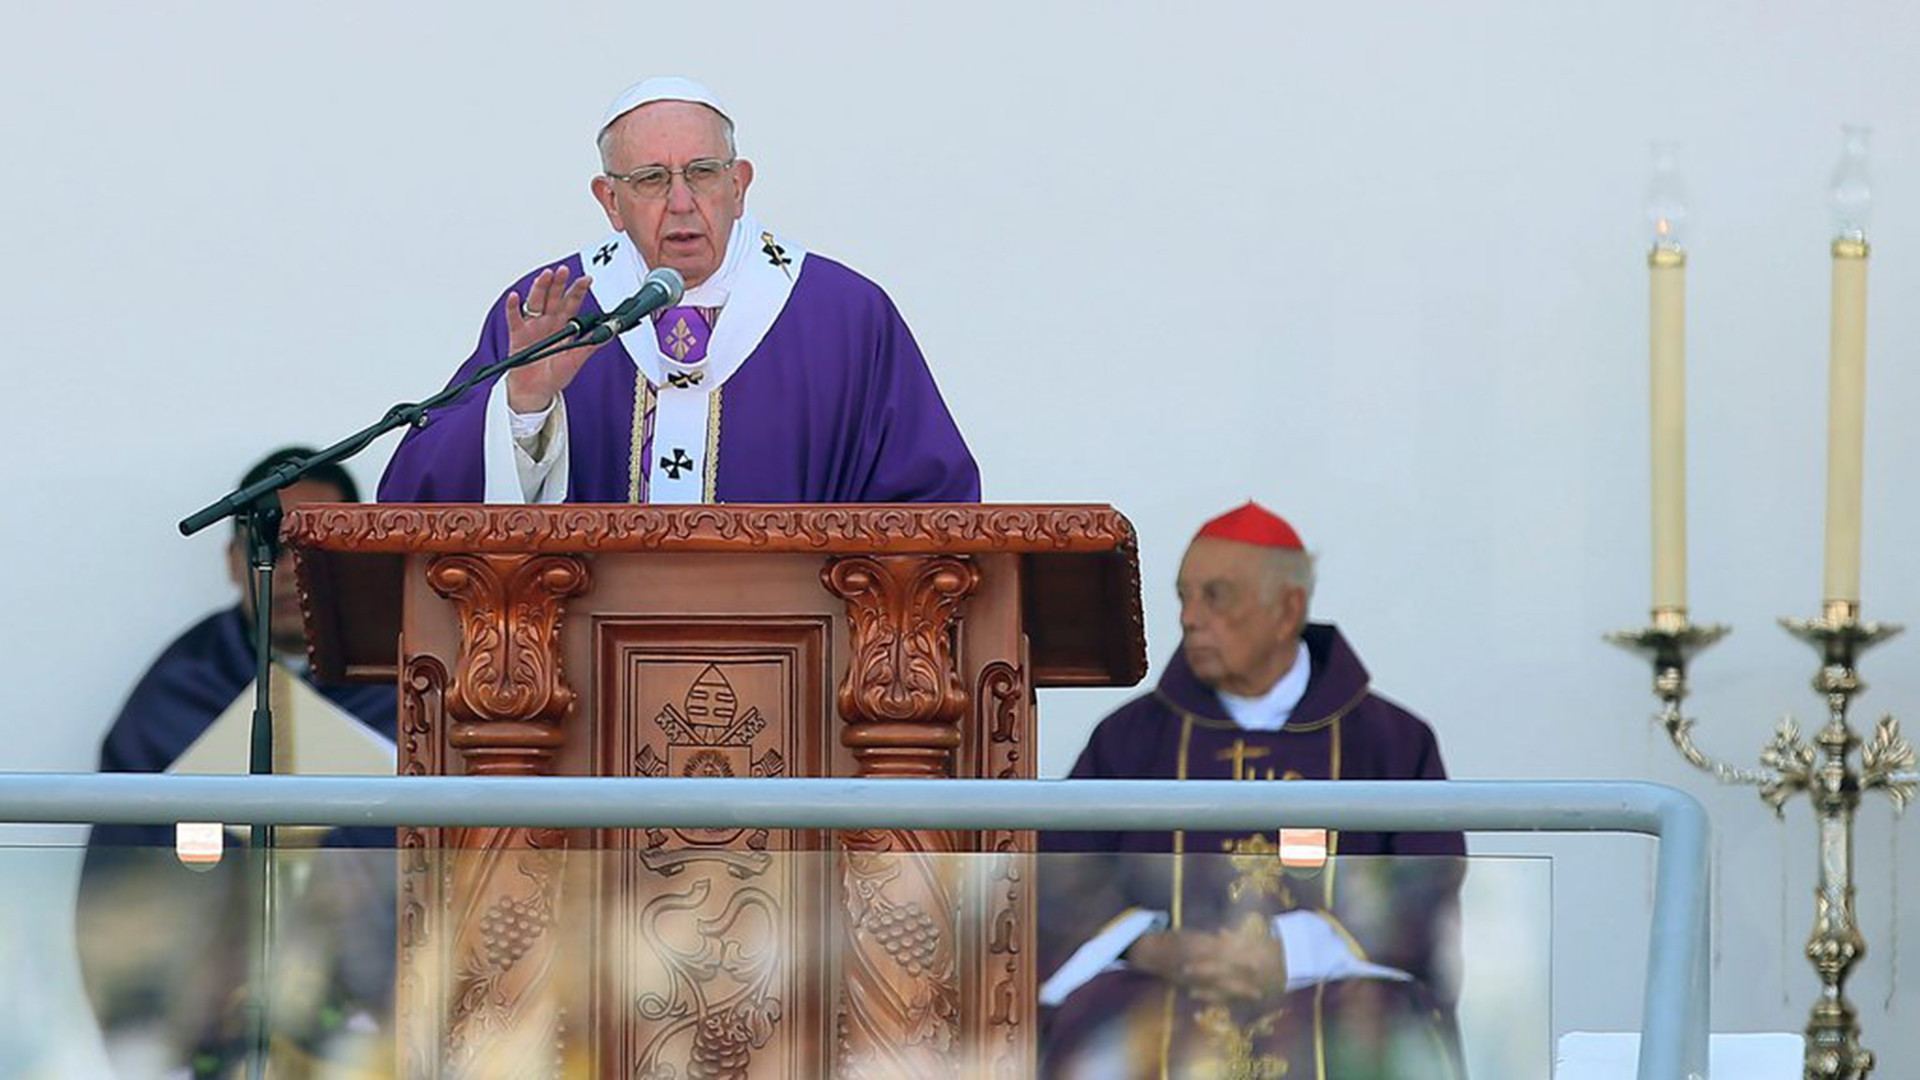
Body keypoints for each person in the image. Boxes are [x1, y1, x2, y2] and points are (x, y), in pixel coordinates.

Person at [378, 75, 979, 505]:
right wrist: (523, 402)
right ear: (609, 201)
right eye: (649, 180)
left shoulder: (843, 316)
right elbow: (419, 497)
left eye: (702, 173)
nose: (682, 201)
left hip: (801, 668)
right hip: (582, 677)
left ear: (739, 185)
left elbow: (931, 501)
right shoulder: (557, 308)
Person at [1039, 502, 1467, 1080]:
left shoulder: (1389, 742)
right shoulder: (1131, 738)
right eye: (1183, 596)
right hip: (1166, 983)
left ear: (1288, 609)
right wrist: (1154, 946)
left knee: (1385, 1032)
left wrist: (1291, 952)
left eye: (1216, 596)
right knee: (1103, 1023)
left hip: (1332, 988)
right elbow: (1064, 881)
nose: (1190, 618)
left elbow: (1425, 895)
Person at [78, 447, 398, 1077]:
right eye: (271, 548)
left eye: (314, 548)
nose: (288, 572)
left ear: (360, 558)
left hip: (391, 1039)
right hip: (212, 1042)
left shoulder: (415, 679)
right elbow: (120, 891)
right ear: (233, 561)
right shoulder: (180, 690)